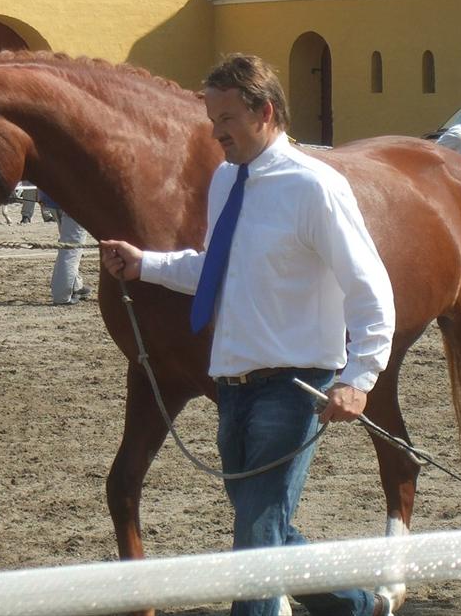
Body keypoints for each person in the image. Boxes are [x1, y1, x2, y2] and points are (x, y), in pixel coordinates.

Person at [100, 54, 396, 616]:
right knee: (265, 527)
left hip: (295, 387)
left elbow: (370, 288)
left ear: (265, 112)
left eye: (226, 118)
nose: (216, 132)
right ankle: (355, 606)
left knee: (255, 539)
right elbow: (217, 268)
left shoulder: (316, 187)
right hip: (232, 386)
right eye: (212, 118)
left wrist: (360, 376)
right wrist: (146, 266)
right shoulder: (226, 179)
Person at [39, 191, 91, 305]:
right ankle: (62, 296)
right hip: (74, 203)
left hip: (52, 202)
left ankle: (76, 286)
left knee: (66, 246)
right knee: (71, 250)